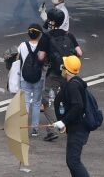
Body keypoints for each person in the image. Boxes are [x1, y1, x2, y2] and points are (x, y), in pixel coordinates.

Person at [38, 9, 82, 142]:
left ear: (51, 21)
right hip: (69, 75)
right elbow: (79, 52)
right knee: (68, 100)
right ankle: (68, 125)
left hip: (55, 74)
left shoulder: (46, 37)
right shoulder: (69, 35)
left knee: (46, 101)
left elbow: (40, 56)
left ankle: (52, 129)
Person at [52, 55, 90, 177]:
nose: (61, 68)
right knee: (71, 161)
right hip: (76, 127)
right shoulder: (74, 82)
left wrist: (63, 121)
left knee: (73, 161)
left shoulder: (73, 86)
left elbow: (78, 106)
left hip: (78, 128)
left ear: (67, 70)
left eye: (63, 66)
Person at [17, 23, 46, 137]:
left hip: (25, 77)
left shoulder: (22, 45)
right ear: (39, 35)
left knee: (25, 103)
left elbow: (17, 59)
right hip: (39, 77)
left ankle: (23, 127)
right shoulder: (42, 46)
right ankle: (34, 129)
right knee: (36, 103)